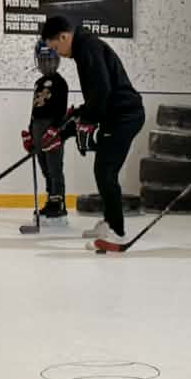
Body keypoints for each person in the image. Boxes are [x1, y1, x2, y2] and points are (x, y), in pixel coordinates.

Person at [41, 15, 145, 249]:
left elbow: (102, 90)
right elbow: (96, 98)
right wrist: (64, 127)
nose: (58, 53)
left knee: (106, 171)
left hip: (124, 116)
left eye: (57, 47)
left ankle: (117, 232)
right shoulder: (83, 48)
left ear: (65, 36)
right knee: (103, 170)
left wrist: (85, 119)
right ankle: (109, 221)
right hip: (115, 114)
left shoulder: (87, 47)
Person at [23, 39, 72, 234]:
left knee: (54, 167)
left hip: (52, 130)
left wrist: (55, 129)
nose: (46, 64)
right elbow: (35, 109)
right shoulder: (38, 83)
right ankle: (50, 198)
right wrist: (29, 132)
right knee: (44, 168)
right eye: (43, 60)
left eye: (50, 60)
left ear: (57, 60)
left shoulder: (61, 83)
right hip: (38, 128)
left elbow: (62, 109)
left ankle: (58, 203)